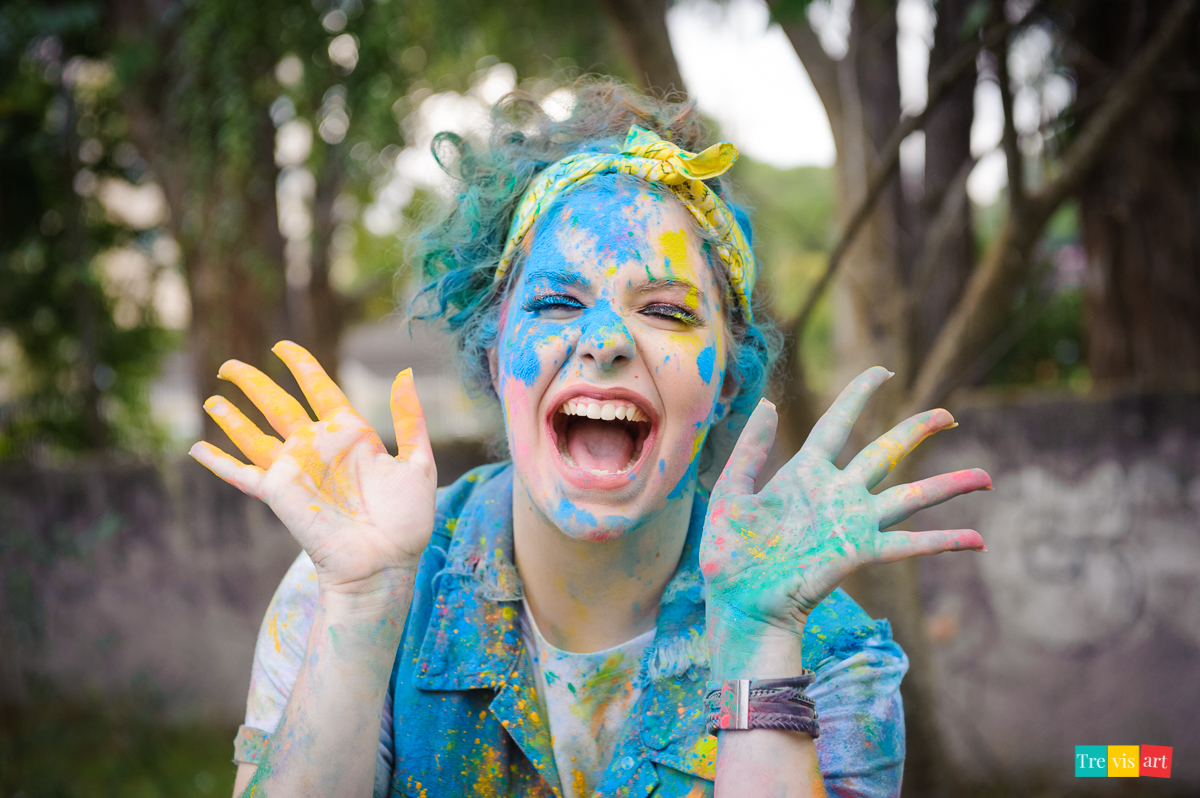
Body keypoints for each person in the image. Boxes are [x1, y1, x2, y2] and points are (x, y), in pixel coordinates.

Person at [190, 79, 991, 798]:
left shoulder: (831, 654)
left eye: (666, 310)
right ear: (495, 354)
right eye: (557, 303)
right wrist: (364, 606)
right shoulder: (347, 586)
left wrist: (759, 649)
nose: (605, 340)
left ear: (724, 382)